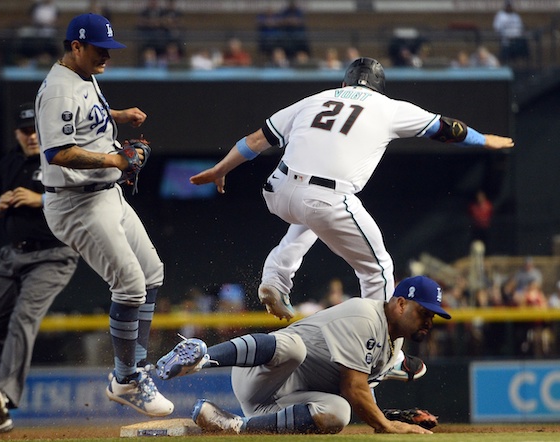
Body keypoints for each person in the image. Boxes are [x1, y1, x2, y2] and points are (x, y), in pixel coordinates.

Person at [190, 57, 514, 321]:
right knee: (379, 269)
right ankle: (380, 351)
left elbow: (255, 141)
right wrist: (483, 139)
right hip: (325, 197)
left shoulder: (315, 99)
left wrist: (221, 169)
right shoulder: (387, 107)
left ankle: (275, 279)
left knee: (307, 222)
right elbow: (446, 128)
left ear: (344, 83)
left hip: (278, 190)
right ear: (379, 88)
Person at [34, 13, 174, 417]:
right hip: (75, 202)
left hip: (105, 192)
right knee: (129, 285)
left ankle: (134, 370)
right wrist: (115, 157)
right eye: (99, 50)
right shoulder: (59, 89)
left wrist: (119, 117)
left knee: (151, 273)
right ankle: (126, 380)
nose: (106, 58)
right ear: (75, 46)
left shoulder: (82, 76)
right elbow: (57, 152)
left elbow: (83, 119)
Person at [155, 276, 450, 434]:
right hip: (260, 374)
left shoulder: (392, 347)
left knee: (338, 413)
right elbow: (353, 386)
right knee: (295, 347)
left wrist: (386, 417)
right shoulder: (366, 316)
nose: (428, 321)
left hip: (281, 406)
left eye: (433, 316)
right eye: (424, 312)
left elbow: (354, 395)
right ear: (400, 304)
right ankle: (203, 357)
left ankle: (235, 425)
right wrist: (386, 426)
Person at [0, 103, 80, 437]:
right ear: (16, 133)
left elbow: (82, 199)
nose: (30, 136)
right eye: (24, 131)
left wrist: (40, 199)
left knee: (22, 319)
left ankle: (5, 394)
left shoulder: (59, 158)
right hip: (11, 257)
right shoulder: (9, 162)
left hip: (52, 257)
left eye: (35, 130)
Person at [493, 0, 528, 65]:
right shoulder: (500, 15)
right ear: (505, 6)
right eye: (508, 6)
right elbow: (497, 28)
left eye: (510, 6)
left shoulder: (516, 16)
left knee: (524, 42)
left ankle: (523, 66)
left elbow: (521, 28)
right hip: (506, 41)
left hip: (517, 39)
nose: (509, 7)